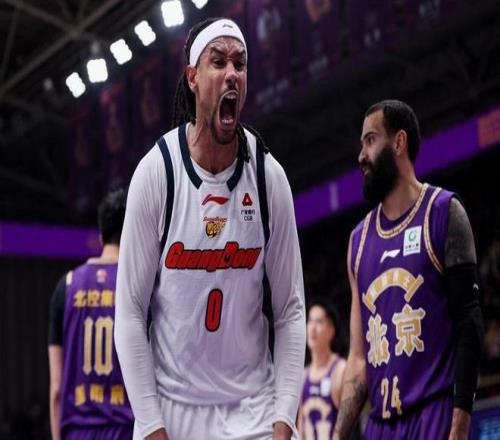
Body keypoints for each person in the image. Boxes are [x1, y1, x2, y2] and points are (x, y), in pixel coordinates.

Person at [114, 18, 306, 440]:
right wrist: (151, 425)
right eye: (218, 62)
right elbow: (129, 312)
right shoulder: (157, 172)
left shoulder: (268, 176)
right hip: (173, 411)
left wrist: (284, 421)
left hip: (253, 409)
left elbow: (291, 309)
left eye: (240, 63)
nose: (232, 73)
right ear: (193, 78)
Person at [333, 99, 484, 439]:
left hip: (434, 416)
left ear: (399, 142)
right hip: (381, 425)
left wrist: (459, 426)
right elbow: (358, 358)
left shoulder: (444, 212)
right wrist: (338, 435)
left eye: (370, 140)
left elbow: (469, 326)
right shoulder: (358, 240)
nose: (361, 155)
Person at [48, 189, 133, 440]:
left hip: (78, 432)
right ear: (133, 232)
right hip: (126, 429)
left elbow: (56, 388)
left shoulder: (66, 286)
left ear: (100, 235)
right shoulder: (138, 286)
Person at [298, 301, 346, 439]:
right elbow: (301, 427)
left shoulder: (340, 369)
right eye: (310, 321)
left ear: (331, 330)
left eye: (319, 322)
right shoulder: (303, 376)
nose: (312, 328)